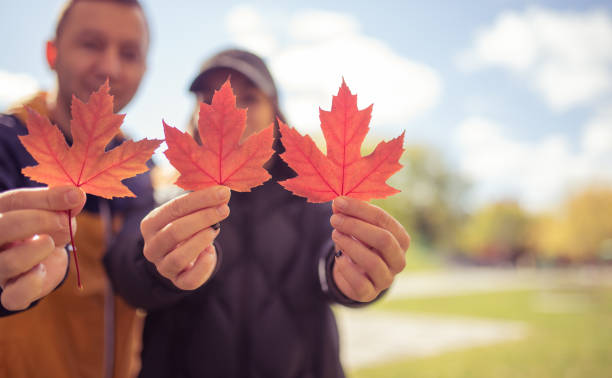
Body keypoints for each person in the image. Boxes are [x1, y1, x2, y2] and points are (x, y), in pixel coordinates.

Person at [108, 49, 411, 378]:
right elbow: (125, 267)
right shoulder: (164, 194)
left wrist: (356, 271)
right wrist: (155, 266)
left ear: (276, 116)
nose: (230, 110)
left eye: (250, 97)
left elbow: (331, 255)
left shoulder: (312, 198)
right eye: (208, 97)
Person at [0, 1, 153, 377]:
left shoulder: (140, 168)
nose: (109, 69)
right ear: (52, 53)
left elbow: (136, 271)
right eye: (91, 44)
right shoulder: (7, 142)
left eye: (129, 53)